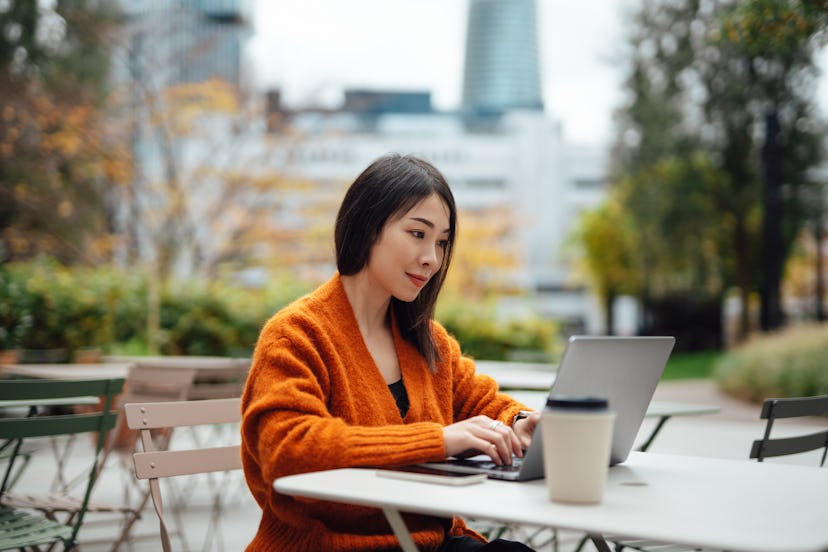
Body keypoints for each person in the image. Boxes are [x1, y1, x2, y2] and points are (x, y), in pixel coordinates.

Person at [241, 153, 541, 551]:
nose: (431, 258)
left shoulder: (426, 341)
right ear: (367, 228)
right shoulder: (297, 335)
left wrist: (516, 422)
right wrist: (438, 440)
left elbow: (479, 402)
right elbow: (290, 450)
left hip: (424, 542)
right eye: (418, 234)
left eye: (441, 242)